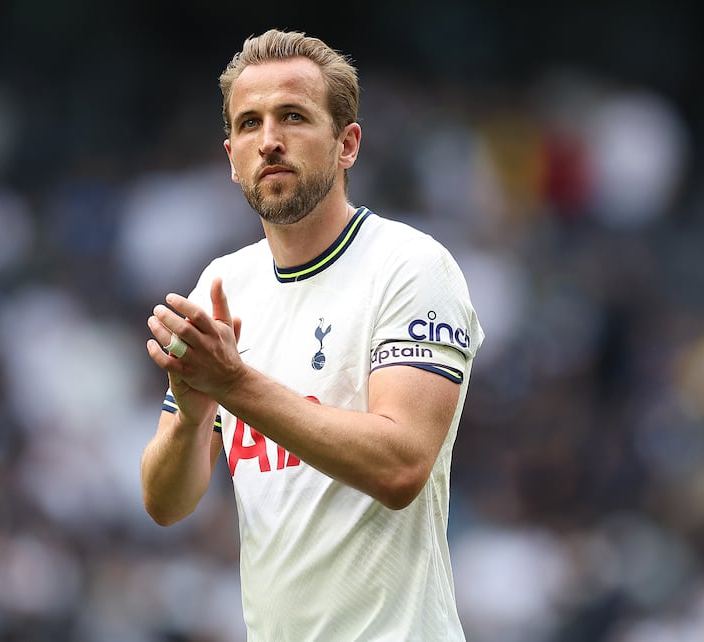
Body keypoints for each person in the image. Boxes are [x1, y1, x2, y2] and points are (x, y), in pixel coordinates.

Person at [140, 28, 484, 640]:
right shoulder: (223, 284)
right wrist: (193, 416)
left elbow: (402, 466)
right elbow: (166, 504)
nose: (269, 140)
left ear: (347, 144)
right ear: (230, 155)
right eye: (249, 124)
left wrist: (234, 384)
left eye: (292, 116)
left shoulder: (409, 266)